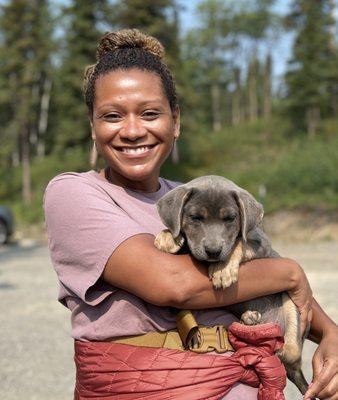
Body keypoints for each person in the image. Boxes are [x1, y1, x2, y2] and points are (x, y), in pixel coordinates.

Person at [43, 29, 337, 400]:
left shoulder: (188, 199)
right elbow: (173, 284)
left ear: (175, 121)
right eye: (112, 115)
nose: (133, 130)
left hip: (237, 379)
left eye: (150, 113)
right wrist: (292, 273)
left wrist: (330, 334)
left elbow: (262, 274)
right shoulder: (74, 193)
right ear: (93, 126)